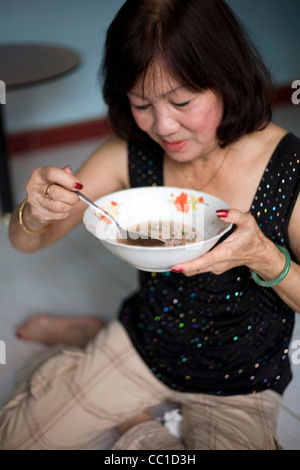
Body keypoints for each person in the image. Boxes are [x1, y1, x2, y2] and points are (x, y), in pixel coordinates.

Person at [1, 0, 299, 450]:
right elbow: (28, 244)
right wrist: (34, 211)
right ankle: (92, 339)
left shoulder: (288, 168)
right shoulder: (131, 150)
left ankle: (122, 400)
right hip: (144, 345)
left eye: (182, 101)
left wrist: (267, 258)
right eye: (142, 103)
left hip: (242, 381)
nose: (163, 126)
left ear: (227, 80)